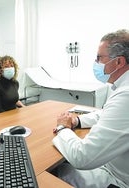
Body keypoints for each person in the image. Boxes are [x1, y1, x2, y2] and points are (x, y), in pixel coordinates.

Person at [51, 29, 129, 188]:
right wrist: (77, 121)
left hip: (118, 180)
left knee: (57, 169)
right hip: (114, 164)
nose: (96, 63)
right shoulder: (121, 88)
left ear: (119, 62)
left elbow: (82, 157)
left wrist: (62, 127)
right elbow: (106, 115)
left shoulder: (126, 95)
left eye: (99, 58)